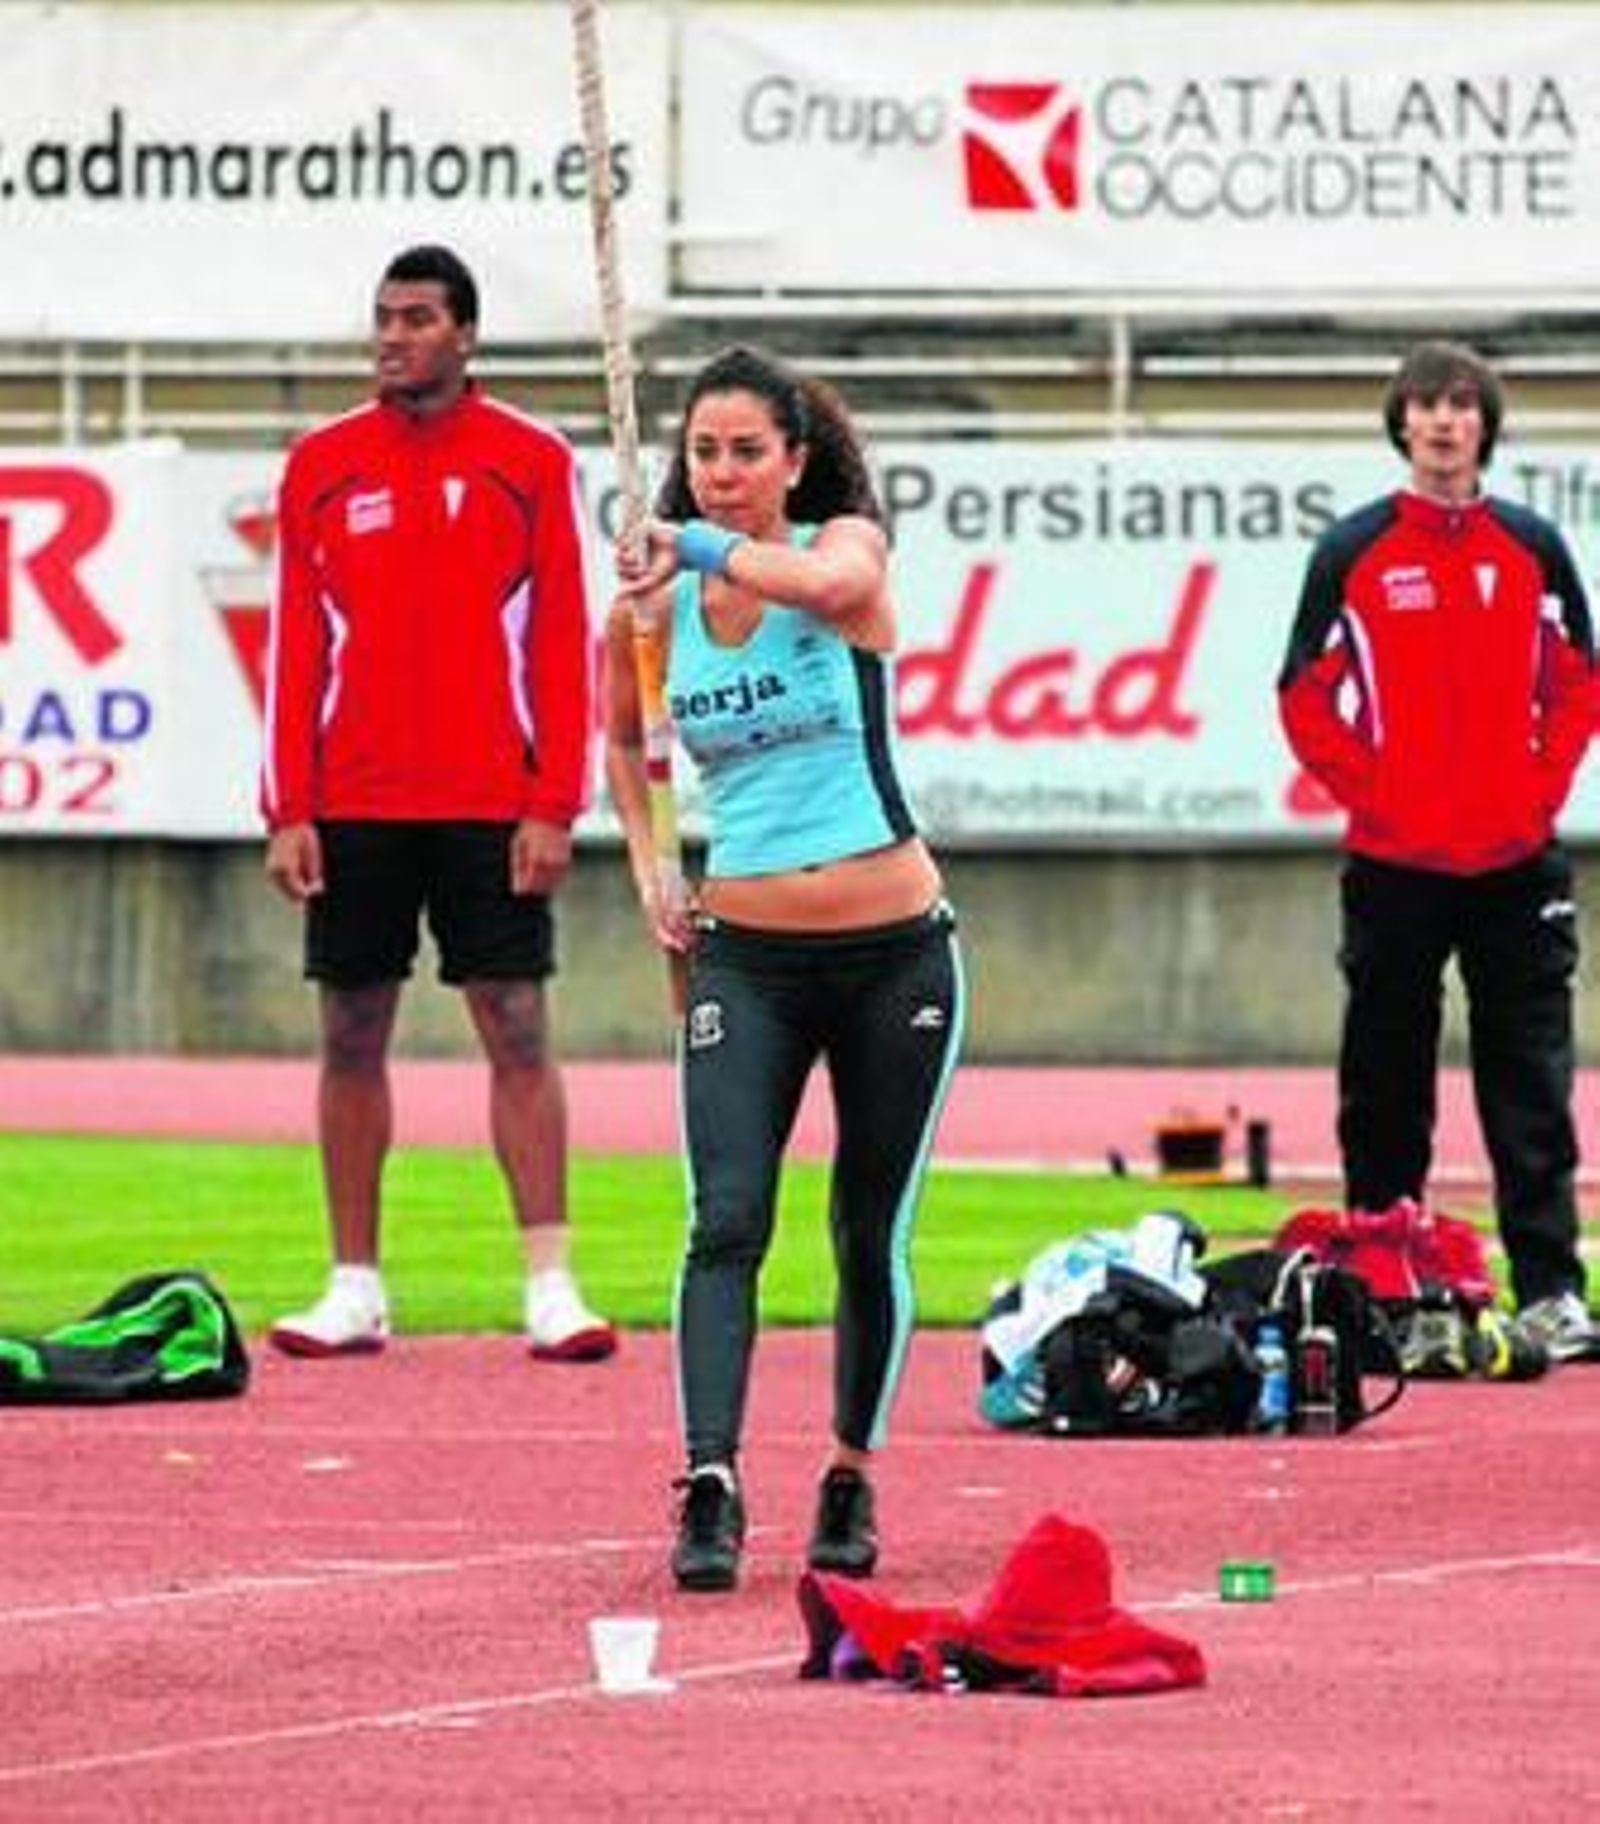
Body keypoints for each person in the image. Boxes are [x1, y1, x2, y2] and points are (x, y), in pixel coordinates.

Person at [605, 345, 966, 1591]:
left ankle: (850, 1477)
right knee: (727, 1219)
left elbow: (817, 585)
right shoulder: (652, 607)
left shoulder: (846, 549)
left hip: (894, 955)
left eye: (746, 451)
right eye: (702, 452)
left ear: (794, 460)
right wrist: (649, 859)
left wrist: (685, 546)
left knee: (867, 1230)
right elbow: (621, 738)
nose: (720, 474)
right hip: (744, 959)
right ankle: (708, 1481)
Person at [260, 243, 615, 1365]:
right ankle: (354, 1284)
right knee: (350, 1029)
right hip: (356, 797)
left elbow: (563, 642)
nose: (392, 337)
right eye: (382, 317)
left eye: (416, 318)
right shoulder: (322, 463)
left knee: (515, 1023)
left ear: (466, 333)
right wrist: (288, 805)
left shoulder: (530, 460)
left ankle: (550, 1280)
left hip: (489, 800)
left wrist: (554, 800)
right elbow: (293, 648)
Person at [1278, 339, 1598, 1363]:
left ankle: (1550, 1290)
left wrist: (1533, 790)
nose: (1444, 421)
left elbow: (1579, 681)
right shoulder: (1355, 550)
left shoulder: (1532, 547)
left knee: (1532, 1087)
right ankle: (1387, 1289)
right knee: (1382, 1087)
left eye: (1461, 404)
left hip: (1516, 866)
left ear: (1484, 426)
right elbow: (1301, 695)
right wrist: (1380, 795)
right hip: (1393, 868)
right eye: (1425, 404)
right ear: (1401, 424)